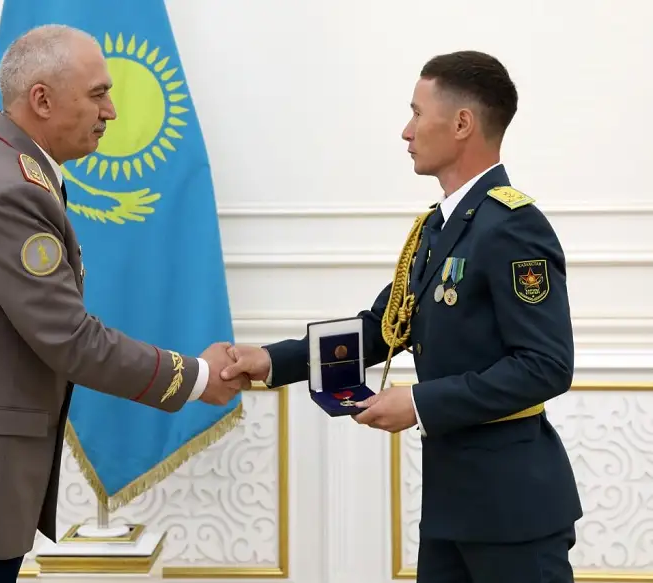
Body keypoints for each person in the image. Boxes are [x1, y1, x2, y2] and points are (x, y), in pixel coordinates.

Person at [0, 24, 247, 583]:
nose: (110, 111)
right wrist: (198, 377)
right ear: (41, 99)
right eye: (97, 94)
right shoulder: (8, 188)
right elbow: (71, 340)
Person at [222, 51, 581, 582]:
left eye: (416, 113)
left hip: (513, 512)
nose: (406, 131)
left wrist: (417, 402)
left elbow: (545, 366)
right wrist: (272, 361)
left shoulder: (512, 226)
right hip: (451, 507)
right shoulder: (439, 228)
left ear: (462, 123)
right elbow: (383, 328)